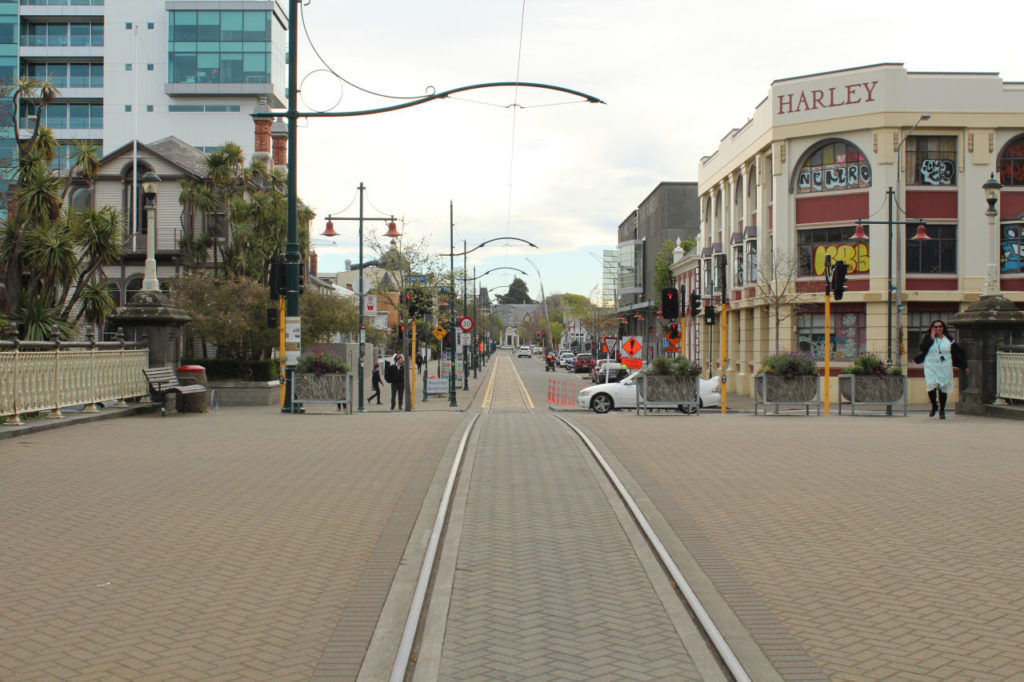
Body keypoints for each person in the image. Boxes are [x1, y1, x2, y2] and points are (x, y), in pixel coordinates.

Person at [914, 319, 968, 419]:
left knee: (943, 387)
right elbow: (923, 348)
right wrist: (932, 338)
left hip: (944, 365)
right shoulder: (928, 338)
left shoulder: (948, 338)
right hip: (931, 365)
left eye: (940, 326)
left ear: (943, 328)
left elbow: (958, 351)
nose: (938, 328)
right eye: (935, 327)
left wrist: (964, 365)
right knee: (931, 385)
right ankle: (934, 405)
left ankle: (942, 410)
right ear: (932, 328)